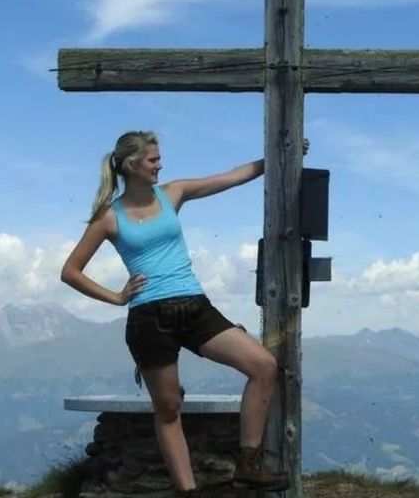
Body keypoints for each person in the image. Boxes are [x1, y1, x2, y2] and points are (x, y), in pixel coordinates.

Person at [61, 130, 306, 496]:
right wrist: (116, 297)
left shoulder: (173, 193)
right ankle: (188, 492)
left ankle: (247, 463)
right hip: (148, 318)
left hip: (194, 306)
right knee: (169, 407)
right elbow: (71, 271)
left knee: (263, 366)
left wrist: (277, 159)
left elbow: (230, 176)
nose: (160, 165)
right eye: (153, 160)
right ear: (132, 165)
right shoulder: (109, 218)